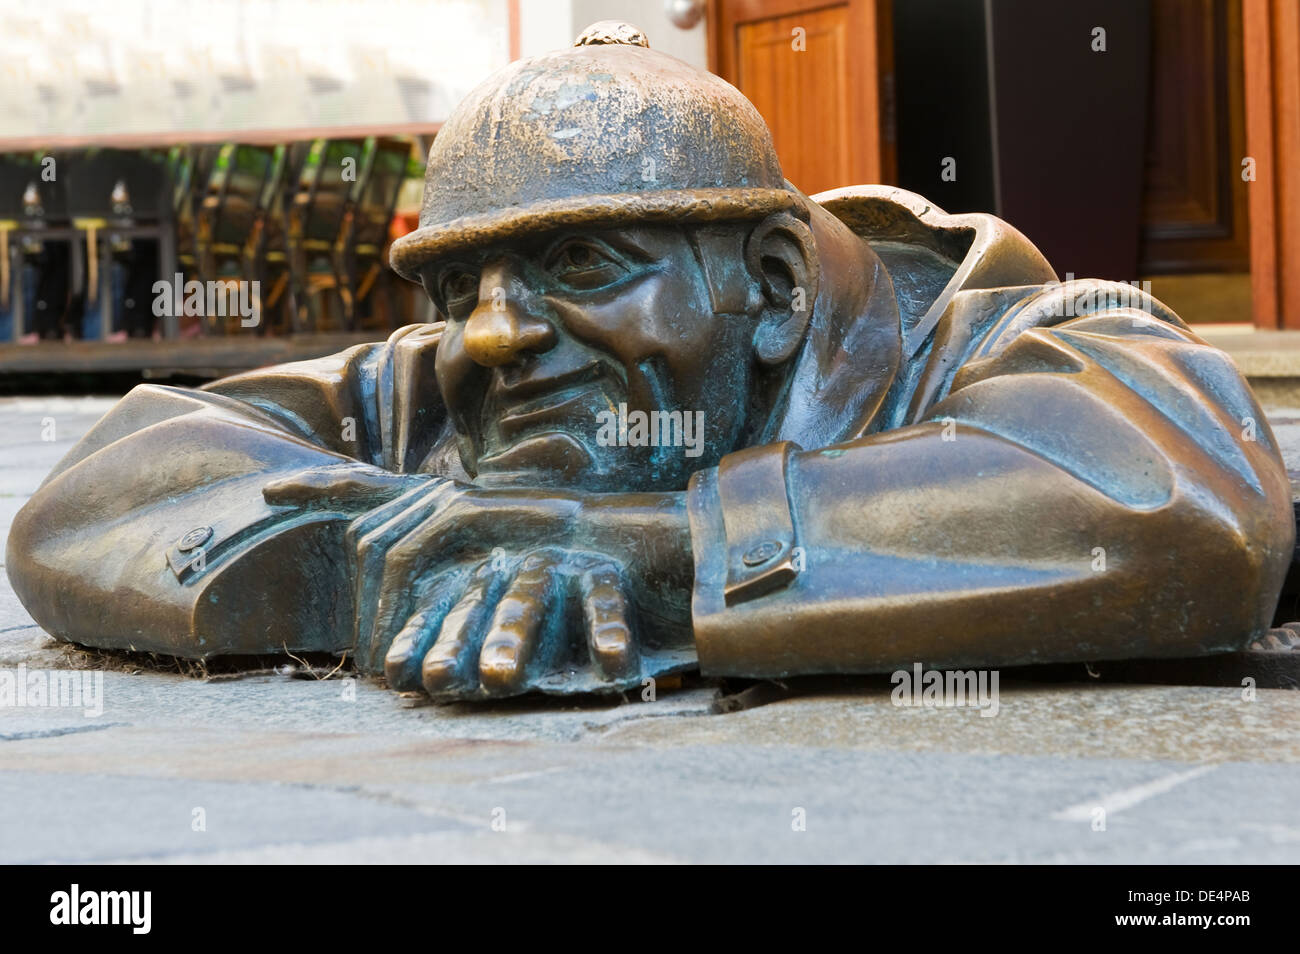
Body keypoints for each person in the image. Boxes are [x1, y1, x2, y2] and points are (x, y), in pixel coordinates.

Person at [7, 23, 1293, 700]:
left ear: (771, 288)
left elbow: (1182, 507)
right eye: (458, 289)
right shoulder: (476, 371)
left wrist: (653, 553)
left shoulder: (1028, 337)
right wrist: (394, 555)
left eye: (581, 265)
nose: (493, 332)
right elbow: (100, 490)